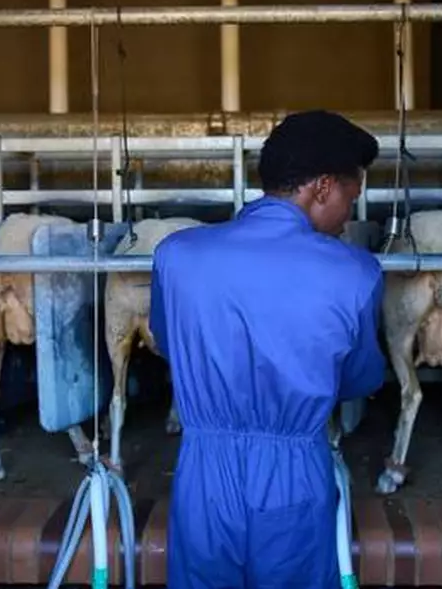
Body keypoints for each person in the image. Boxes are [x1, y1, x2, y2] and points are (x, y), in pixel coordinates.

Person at [148, 109, 388, 589]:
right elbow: (361, 379)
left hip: (202, 476)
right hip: (294, 474)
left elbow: (167, 342)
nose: (349, 216)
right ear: (322, 187)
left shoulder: (176, 255)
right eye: (350, 196)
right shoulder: (355, 272)